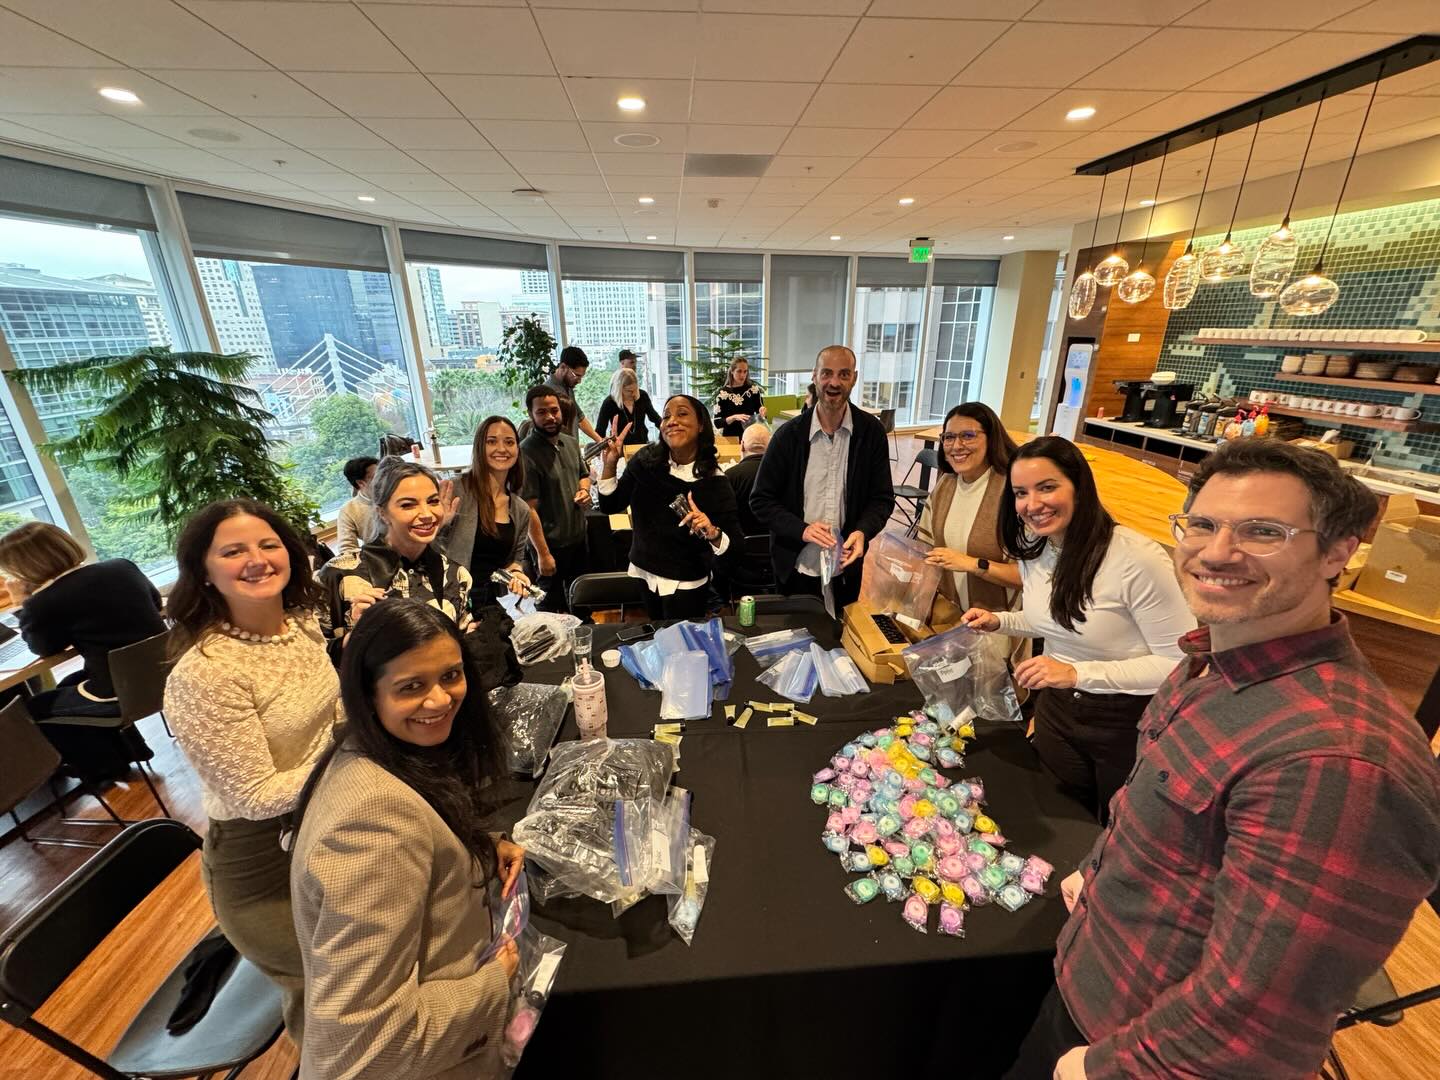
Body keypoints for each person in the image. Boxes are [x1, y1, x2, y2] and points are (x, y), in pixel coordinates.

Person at [1009, 439, 1440, 1080]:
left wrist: (1098, 1069)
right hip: (1090, 987)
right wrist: (1101, 869)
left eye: (1263, 531)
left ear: (1338, 553)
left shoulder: (1341, 760)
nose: (1216, 552)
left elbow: (1258, 1023)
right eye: (1203, 525)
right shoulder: (1206, 664)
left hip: (1129, 1048)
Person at [290, 599, 525, 1080]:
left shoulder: (371, 753)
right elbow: (364, 1046)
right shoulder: (371, 827)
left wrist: (477, 847)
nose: (440, 700)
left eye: (450, 676)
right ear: (369, 694)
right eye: (411, 687)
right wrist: (493, 985)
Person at [164, 499, 342, 1040]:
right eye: (233, 550)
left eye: (268, 544)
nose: (257, 559)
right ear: (205, 572)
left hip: (327, 823)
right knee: (335, 998)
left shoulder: (300, 626)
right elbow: (255, 797)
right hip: (263, 865)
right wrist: (355, 758)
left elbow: (335, 718)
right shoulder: (206, 674)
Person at [960, 437, 1195, 824]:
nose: (1033, 504)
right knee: (1057, 815)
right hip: (1056, 710)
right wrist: (1000, 620)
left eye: (1047, 487)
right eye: (1021, 493)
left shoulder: (1135, 558)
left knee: (1115, 824)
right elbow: (1053, 622)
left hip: (1123, 721)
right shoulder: (1039, 550)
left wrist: (1076, 673)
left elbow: (1179, 662)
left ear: (1080, 486)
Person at [0, 522, 166, 777]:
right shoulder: (121, 567)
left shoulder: (45, 602)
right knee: (68, 684)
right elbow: (155, 604)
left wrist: (22, 603)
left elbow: (42, 648)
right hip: (167, 671)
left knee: (36, 707)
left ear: (24, 569)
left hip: (121, 691)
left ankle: (101, 767)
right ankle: (132, 751)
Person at [750, 345, 895, 615]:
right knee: (798, 640)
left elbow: (882, 499)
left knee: (838, 642)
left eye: (843, 374)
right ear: (815, 376)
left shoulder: (871, 434)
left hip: (846, 565)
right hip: (796, 564)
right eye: (827, 373)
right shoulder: (787, 436)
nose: (834, 382)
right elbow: (760, 500)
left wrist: (863, 531)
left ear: (854, 378)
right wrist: (800, 529)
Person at [597, 395, 743, 621]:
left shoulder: (714, 481)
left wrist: (712, 531)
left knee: (682, 644)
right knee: (657, 634)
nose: (671, 420)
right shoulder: (645, 461)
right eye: (666, 416)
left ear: (701, 424)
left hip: (686, 579)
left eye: (682, 414)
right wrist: (610, 464)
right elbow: (610, 505)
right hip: (645, 571)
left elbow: (735, 546)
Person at [317, 457, 471, 650]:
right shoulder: (340, 575)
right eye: (408, 505)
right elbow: (317, 657)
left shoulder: (456, 574)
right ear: (382, 512)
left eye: (433, 501)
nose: (426, 514)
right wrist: (357, 636)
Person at [918, 403, 1022, 627]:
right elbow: (926, 550)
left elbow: (1028, 578)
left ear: (991, 438)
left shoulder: (1012, 492)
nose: (956, 445)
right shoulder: (946, 484)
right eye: (949, 437)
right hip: (950, 618)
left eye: (968, 436)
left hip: (997, 625)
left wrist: (973, 564)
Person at [439, 416, 537, 605]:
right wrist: (438, 525)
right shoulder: (456, 491)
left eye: (509, 442)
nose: (502, 449)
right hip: (450, 601)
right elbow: (428, 549)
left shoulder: (520, 509)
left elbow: (515, 560)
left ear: (517, 449)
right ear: (479, 447)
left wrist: (517, 574)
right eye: (491, 441)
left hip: (492, 603)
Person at [520, 384, 590, 612]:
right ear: (531, 415)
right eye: (541, 412)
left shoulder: (569, 442)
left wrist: (584, 490)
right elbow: (527, 510)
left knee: (582, 601)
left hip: (579, 539)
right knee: (550, 608)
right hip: (549, 545)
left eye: (554, 410)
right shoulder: (525, 454)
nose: (550, 417)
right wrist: (543, 554)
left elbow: (584, 474)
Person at [545, 345, 601, 443]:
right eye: (576, 375)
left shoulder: (568, 387)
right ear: (563, 367)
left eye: (581, 377)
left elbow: (579, 418)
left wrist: (600, 440)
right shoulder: (548, 393)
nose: (579, 381)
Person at [725, 423, 770, 538]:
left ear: (742, 446)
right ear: (770, 446)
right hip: (778, 546)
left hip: (741, 547)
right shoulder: (783, 474)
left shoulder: (730, 476)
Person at [594, 367, 659, 446]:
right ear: (619, 389)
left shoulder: (643, 396)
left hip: (642, 445)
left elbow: (654, 417)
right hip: (619, 448)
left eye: (635, 389)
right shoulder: (609, 403)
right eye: (629, 391)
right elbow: (600, 431)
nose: (634, 393)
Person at [712, 356, 766, 438]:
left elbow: (761, 413)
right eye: (739, 371)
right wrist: (733, 417)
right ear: (732, 371)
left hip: (750, 437)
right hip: (731, 438)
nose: (742, 375)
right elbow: (717, 423)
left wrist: (762, 411)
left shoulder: (753, 390)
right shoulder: (722, 394)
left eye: (745, 371)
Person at [334, 456, 378, 555]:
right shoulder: (349, 510)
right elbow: (347, 549)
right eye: (377, 477)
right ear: (361, 483)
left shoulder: (397, 494)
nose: (384, 479)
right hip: (379, 559)